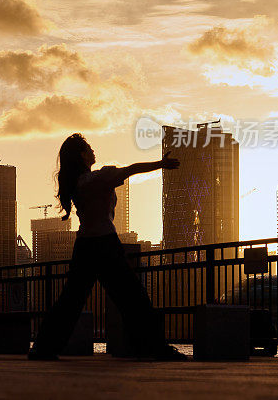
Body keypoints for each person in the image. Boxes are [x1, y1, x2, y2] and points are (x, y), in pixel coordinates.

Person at [28, 133, 186, 361]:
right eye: (89, 148)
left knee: (71, 300)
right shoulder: (97, 179)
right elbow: (130, 169)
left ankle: (44, 347)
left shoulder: (78, 183)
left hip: (84, 246)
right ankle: (154, 347)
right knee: (133, 298)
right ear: (82, 155)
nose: (93, 151)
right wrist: (161, 164)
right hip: (104, 244)